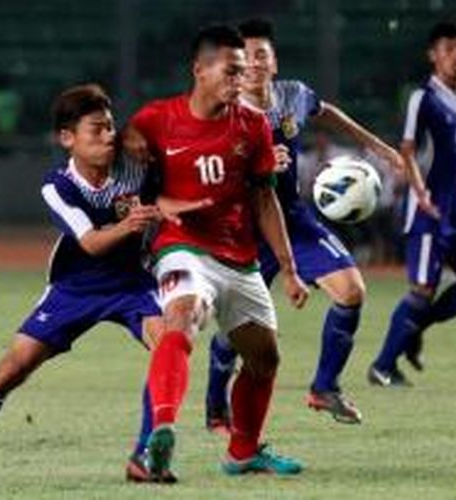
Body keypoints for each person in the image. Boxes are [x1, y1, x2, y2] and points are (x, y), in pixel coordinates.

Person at [0, 84, 168, 482]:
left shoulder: (137, 162)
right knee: (11, 369)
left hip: (132, 284)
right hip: (75, 287)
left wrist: (140, 134)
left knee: (167, 348)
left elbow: (164, 131)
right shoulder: (57, 187)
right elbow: (89, 243)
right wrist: (130, 224)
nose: (108, 136)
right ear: (67, 138)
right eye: (97, 129)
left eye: (111, 127)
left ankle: (144, 457)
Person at [123, 25, 309, 480]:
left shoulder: (253, 125)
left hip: (239, 257)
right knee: (182, 318)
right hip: (180, 247)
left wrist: (288, 267)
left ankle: (243, 452)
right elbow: (124, 152)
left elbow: (265, 199)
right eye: (231, 71)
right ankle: (158, 436)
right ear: (199, 70)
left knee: (265, 359)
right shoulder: (157, 118)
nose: (241, 80)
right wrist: (130, 148)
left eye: (243, 72)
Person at [201, 18, 404, 430]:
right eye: (247, 57)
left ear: (274, 63)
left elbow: (327, 113)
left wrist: (377, 146)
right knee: (236, 332)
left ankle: (324, 387)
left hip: (293, 219)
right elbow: (211, 173)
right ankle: (215, 406)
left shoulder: (292, 95)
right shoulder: (224, 112)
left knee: (351, 292)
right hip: (245, 228)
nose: (254, 63)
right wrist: (254, 167)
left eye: (262, 55)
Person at [369, 21, 456, 386]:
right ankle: (382, 366)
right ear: (433, 55)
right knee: (422, 291)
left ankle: (415, 328)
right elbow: (408, 151)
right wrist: (420, 192)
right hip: (428, 210)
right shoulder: (422, 98)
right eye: (449, 50)